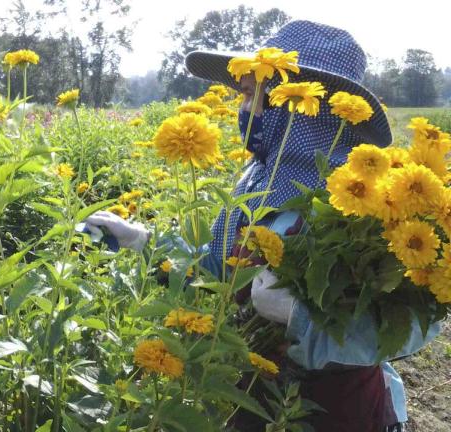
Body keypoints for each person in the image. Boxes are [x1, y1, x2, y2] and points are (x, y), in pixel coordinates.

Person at [84, 20, 439, 432]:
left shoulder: (373, 202)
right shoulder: (259, 182)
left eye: (254, 93)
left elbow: (415, 325)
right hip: (249, 400)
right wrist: (149, 245)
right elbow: (219, 275)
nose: (244, 109)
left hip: (336, 413)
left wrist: (300, 318)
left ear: (305, 105)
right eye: (244, 93)